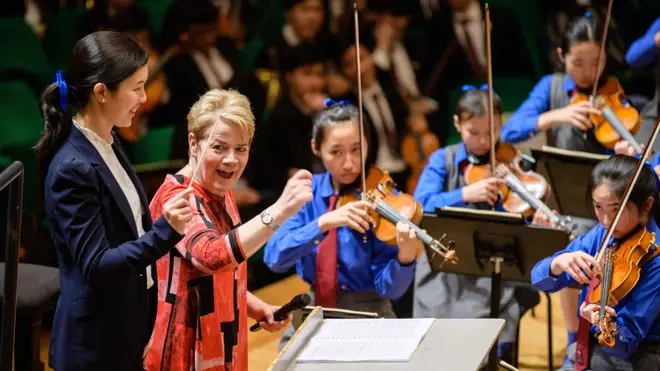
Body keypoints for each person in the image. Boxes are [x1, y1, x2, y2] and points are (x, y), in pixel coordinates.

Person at [35, 31, 193, 371]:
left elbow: (128, 226)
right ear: (102, 92)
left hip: (125, 327)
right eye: (136, 88)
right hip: (94, 345)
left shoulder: (107, 140)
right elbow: (97, 267)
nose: (143, 97)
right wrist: (165, 232)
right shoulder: (72, 168)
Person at [144, 88, 313, 371]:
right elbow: (210, 256)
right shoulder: (176, 197)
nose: (231, 160)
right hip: (183, 353)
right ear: (193, 144)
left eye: (241, 149)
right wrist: (280, 210)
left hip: (223, 341)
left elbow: (221, 275)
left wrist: (257, 308)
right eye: (219, 147)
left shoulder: (220, 189)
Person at [263, 100, 422, 348]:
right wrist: (324, 222)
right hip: (315, 311)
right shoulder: (306, 192)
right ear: (316, 148)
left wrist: (405, 259)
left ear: (368, 144)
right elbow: (274, 258)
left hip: (370, 315)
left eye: (356, 149)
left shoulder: (383, 199)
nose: (348, 163)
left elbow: (390, 290)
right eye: (336, 152)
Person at [412, 86, 519, 363]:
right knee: (438, 347)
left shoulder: (508, 159)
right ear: (457, 124)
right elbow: (419, 204)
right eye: (474, 133)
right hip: (443, 272)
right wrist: (463, 194)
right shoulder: (443, 160)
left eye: (492, 132)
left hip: (492, 272)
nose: (484, 142)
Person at [531, 154, 660, 371]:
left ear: (647, 205)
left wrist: (601, 324)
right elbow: (538, 279)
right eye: (598, 207)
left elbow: (623, 346)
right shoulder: (601, 234)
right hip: (588, 352)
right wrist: (558, 263)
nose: (606, 220)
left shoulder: (655, 258)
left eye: (616, 209)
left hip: (636, 360)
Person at [500, 13, 637, 155]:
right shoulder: (550, 85)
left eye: (596, 63)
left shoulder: (613, 90)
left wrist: (626, 154)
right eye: (578, 63)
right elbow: (508, 133)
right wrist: (555, 116)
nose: (588, 72)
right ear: (561, 56)